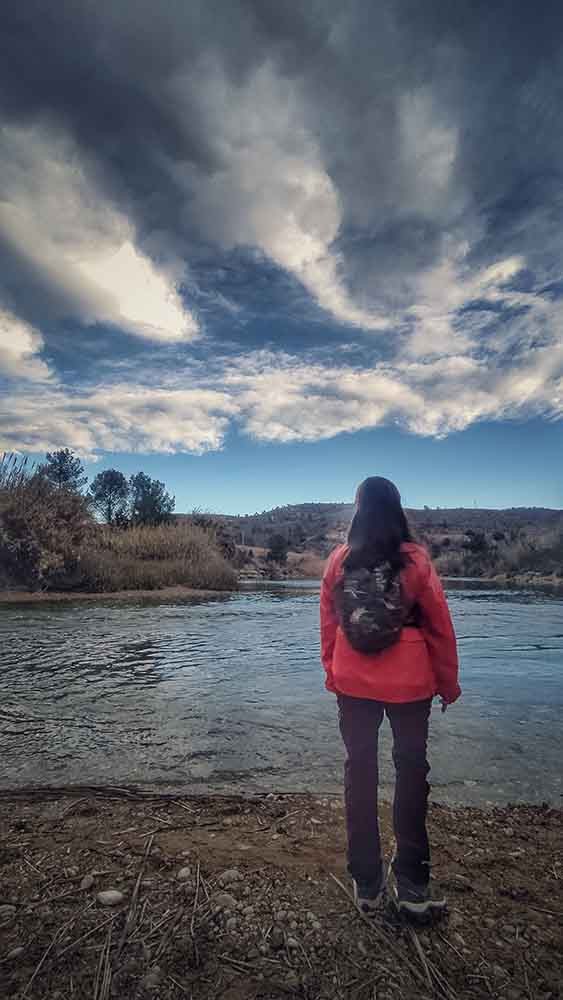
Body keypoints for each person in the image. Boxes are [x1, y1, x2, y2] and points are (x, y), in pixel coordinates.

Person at [320, 476, 460, 918]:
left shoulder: (339, 560)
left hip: (353, 681)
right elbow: (439, 625)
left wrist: (332, 671)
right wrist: (448, 683)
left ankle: (367, 886)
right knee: (411, 773)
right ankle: (413, 888)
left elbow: (328, 624)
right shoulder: (416, 561)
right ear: (398, 510)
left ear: (358, 509)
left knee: (358, 773)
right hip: (409, 683)